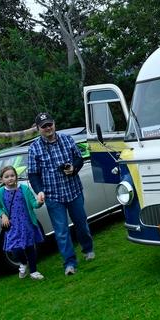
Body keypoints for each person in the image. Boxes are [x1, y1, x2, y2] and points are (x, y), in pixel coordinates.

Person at [27, 112, 95, 276]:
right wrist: (39, 191)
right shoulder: (34, 148)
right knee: (61, 231)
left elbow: (79, 159)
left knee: (81, 224)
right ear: (38, 129)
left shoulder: (67, 139)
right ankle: (70, 263)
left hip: (73, 191)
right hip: (53, 196)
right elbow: (33, 174)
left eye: (49, 124)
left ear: (54, 124)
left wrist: (73, 168)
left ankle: (88, 249)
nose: (48, 128)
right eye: (44, 126)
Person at [0, 165, 45, 280]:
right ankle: (23, 263)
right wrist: (3, 215)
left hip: (26, 224)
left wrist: (39, 202)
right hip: (12, 226)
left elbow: (34, 204)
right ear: (2, 179)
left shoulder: (24, 189)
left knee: (30, 248)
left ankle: (34, 272)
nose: (10, 178)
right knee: (15, 249)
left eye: (12, 175)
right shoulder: (0, 192)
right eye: (7, 176)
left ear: (16, 177)